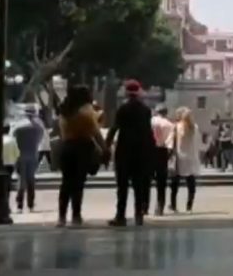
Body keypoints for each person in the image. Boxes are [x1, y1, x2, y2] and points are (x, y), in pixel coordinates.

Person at [105, 80, 156, 226]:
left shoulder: (122, 109)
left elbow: (114, 128)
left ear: (126, 92)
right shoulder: (146, 110)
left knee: (122, 186)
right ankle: (138, 214)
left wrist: (106, 146)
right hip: (141, 152)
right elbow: (148, 132)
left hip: (124, 151)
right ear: (139, 92)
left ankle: (120, 216)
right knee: (139, 185)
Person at [56, 85, 107, 227]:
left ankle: (61, 217)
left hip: (66, 147)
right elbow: (96, 133)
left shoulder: (64, 111)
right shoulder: (86, 111)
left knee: (66, 183)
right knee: (78, 184)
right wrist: (104, 149)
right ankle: (76, 216)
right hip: (82, 148)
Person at [169, 107, 203, 213]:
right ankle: (189, 206)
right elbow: (199, 143)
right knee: (191, 182)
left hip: (180, 157)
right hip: (191, 157)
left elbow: (170, 142)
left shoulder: (176, 127)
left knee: (175, 183)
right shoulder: (195, 128)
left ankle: (173, 206)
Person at [13, 106, 46, 213]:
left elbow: (13, 138)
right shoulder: (39, 128)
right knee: (31, 180)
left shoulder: (18, 127)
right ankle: (30, 204)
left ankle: (19, 205)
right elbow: (40, 140)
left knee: (21, 181)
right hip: (33, 155)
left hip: (20, 154)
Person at [149, 106, 176, 216]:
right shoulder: (170, 125)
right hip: (162, 151)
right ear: (166, 113)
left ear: (156, 112)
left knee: (146, 180)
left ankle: (144, 206)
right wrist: (168, 156)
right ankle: (159, 207)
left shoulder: (150, 121)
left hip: (150, 150)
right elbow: (170, 143)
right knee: (161, 182)